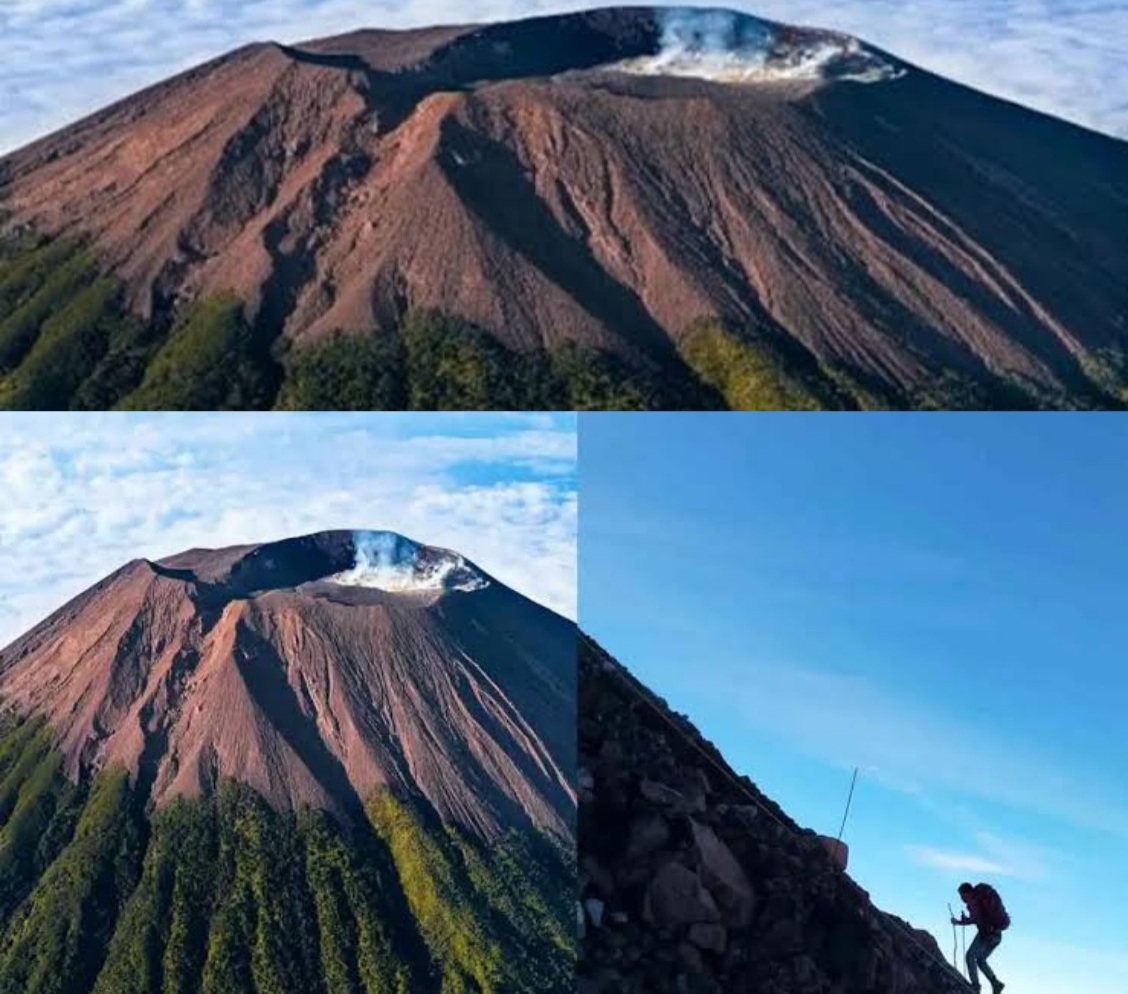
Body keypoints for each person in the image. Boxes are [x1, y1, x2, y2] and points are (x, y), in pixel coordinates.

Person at [951, 882, 1007, 993]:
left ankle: (975, 986)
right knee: (981, 960)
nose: (962, 899)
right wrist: (962, 921)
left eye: (962, 896)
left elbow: (976, 919)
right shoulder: (979, 899)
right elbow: (977, 918)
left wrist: (959, 922)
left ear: (967, 893)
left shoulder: (974, 901)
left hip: (987, 934)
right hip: (997, 934)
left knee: (970, 956)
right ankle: (996, 983)